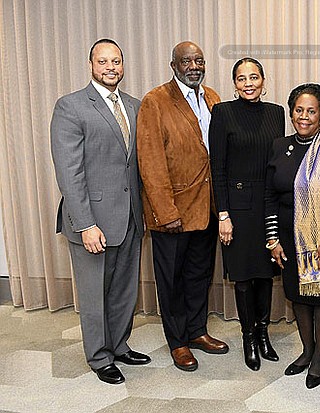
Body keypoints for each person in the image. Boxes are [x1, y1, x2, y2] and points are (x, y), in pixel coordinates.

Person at [50, 39, 150, 384]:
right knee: (94, 294)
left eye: (116, 61)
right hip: (93, 221)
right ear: (91, 64)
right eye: (103, 61)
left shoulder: (135, 106)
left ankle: (119, 345)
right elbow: (69, 173)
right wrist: (85, 224)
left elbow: (137, 166)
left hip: (130, 218)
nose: (111, 67)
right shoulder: (71, 106)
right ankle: (99, 357)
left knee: (124, 291)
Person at [137, 41, 228, 372]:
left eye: (199, 61)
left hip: (206, 208)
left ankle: (197, 330)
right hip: (173, 211)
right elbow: (150, 161)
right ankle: (177, 341)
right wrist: (165, 212)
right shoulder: (156, 101)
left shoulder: (212, 97)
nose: (194, 66)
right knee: (172, 280)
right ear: (174, 66)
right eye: (187, 61)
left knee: (199, 275)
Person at [265, 83, 320, 389]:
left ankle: (319, 355)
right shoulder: (279, 146)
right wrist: (273, 239)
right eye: (299, 110)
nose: (304, 116)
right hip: (288, 237)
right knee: (297, 294)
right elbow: (269, 196)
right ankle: (306, 350)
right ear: (291, 113)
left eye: (311, 111)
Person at [209, 58, 285, 371]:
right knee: (242, 277)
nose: (248, 83)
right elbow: (217, 168)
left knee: (266, 274)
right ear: (235, 84)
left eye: (254, 77)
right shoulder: (223, 112)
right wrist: (223, 214)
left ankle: (264, 333)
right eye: (242, 78)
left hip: (269, 204)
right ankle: (248, 338)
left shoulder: (277, 113)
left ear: (263, 80)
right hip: (237, 208)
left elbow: (278, 162)